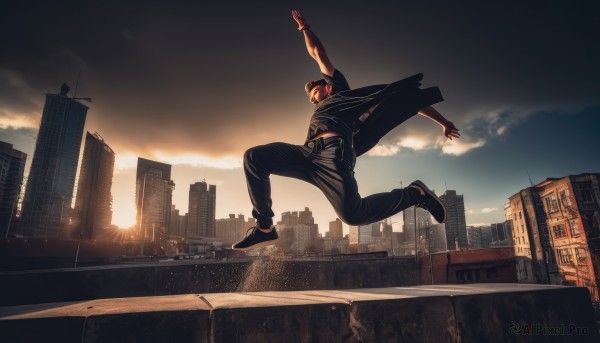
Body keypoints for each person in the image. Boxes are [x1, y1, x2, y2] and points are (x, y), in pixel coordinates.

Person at [232, 10, 460, 251]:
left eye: (314, 93)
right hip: (307, 154)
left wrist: (304, 29)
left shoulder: (340, 91)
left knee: (352, 215)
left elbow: (318, 54)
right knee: (254, 157)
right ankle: (265, 228)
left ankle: (415, 194)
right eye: (310, 98)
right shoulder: (321, 108)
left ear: (328, 87)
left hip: (334, 154)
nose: (312, 100)